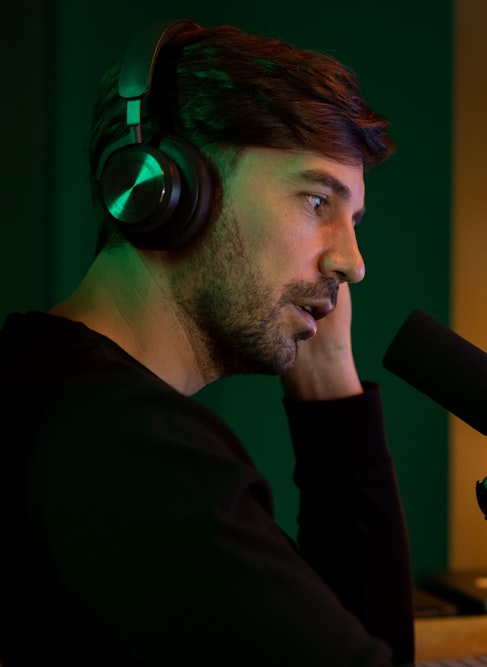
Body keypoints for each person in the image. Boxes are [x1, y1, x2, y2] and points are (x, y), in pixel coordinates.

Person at [0, 19, 414, 666]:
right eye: (315, 202)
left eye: (352, 221)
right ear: (164, 191)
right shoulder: (128, 448)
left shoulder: (46, 383)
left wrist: (330, 380)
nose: (353, 264)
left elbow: (364, 641)